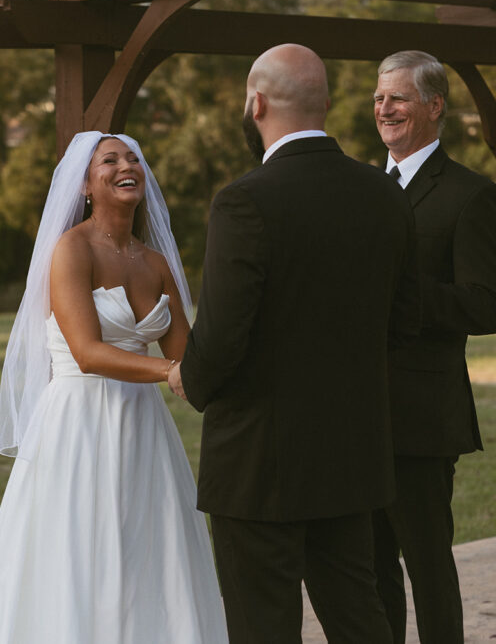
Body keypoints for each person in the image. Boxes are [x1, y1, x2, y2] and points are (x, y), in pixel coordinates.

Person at [168, 43, 421, 643]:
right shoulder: (385, 193)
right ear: (327, 103)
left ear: (255, 103)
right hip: (351, 451)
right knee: (359, 616)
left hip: (259, 461)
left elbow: (224, 334)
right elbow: (404, 322)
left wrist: (190, 378)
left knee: (263, 627)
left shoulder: (244, 200)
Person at [0, 131, 228, 644]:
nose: (126, 166)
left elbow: (186, 354)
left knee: (149, 548)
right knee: (80, 549)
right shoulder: (71, 250)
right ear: (85, 183)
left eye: (133, 159)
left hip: (144, 428)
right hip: (77, 424)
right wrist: (167, 374)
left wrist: (213, 362)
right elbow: (86, 351)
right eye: (110, 160)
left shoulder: (155, 263)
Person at [370, 50, 496, 643]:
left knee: (427, 569)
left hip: (423, 418)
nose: (384, 108)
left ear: (433, 105)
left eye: (397, 97)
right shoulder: (360, 188)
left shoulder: (471, 194)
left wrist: (404, 296)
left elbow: (487, 306)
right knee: (368, 571)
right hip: (358, 414)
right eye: (379, 98)